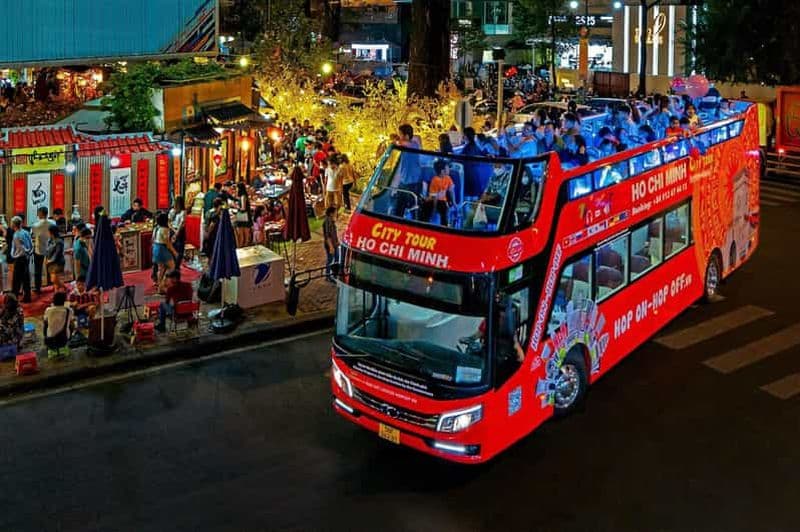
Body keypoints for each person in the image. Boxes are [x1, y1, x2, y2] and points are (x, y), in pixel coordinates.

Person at [389, 124, 423, 218]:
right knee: (398, 209)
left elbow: (400, 143)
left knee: (414, 209)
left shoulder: (414, 145)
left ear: (407, 136)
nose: (399, 137)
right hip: (404, 181)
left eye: (400, 134)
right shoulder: (406, 145)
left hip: (413, 183)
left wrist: (396, 139)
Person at [421, 160, 455, 226]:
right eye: (447, 168)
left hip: (442, 201)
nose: (449, 169)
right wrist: (434, 210)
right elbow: (434, 197)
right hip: (434, 200)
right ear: (442, 171)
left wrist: (454, 203)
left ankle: (444, 226)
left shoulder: (448, 178)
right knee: (426, 206)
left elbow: (451, 191)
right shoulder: (435, 180)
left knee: (443, 209)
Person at [152, 212, 177, 290]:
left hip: (156, 247)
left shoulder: (156, 228)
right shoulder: (165, 229)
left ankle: (160, 285)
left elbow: (153, 239)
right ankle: (163, 284)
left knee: (161, 268)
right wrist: (174, 252)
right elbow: (167, 243)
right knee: (172, 266)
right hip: (162, 249)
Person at [31, 206, 53, 293]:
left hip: (39, 249)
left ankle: (38, 288)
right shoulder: (53, 223)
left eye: (38, 213)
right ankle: (51, 285)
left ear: (40, 213)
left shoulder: (36, 225)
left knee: (38, 270)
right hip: (50, 248)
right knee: (50, 268)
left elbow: (33, 235)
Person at [10, 216, 32, 303]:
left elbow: (19, 248)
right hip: (26, 258)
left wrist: (13, 256)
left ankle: (14, 298)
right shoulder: (26, 232)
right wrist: (28, 253)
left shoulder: (16, 235)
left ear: (14, 224)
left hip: (20, 258)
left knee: (16, 280)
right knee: (26, 279)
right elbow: (30, 245)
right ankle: (27, 296)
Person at [45, 225, 66, 295]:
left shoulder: (59, 241)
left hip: (58, 262)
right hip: (50, 262)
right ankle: (57, 293)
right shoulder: (49, 240)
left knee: (54, 280)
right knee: (54, 281)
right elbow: (47, 250)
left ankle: (62, 290)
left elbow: (58, 254)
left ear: (52, 232)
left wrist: (50, 260)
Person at [170, 196, 187, 268]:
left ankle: (173, 265)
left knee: (173, 249)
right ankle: (176, 266)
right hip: (179, 232)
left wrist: (173, 231)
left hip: (173, 230)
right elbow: (182, 224)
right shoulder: (183, 212)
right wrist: (176, 233)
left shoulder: (172, 211)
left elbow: (169, 222)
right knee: (179, 250)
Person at [322, 206, 339, 282]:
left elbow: (334, 233)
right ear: (331, 213)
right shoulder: (327, 221)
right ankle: (328, 275)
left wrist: (337, 242)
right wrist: (331, 247)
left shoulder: (331, 221)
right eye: (335, 212)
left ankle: (334, 274)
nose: (336, 213)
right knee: (330, 260)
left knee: (336, 258)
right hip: (330, 245)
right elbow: (327, 235)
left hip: (334, 244)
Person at [234, 183, 252, 248]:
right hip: (245, 215)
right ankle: (244, 246)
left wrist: (236, 206)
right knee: (244, 233)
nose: (236, 189)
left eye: (237, 188)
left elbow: (243, 208)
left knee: (242, 233)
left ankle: (242, 246)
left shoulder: (243, 196)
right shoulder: (244, 196)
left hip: (243, 216)